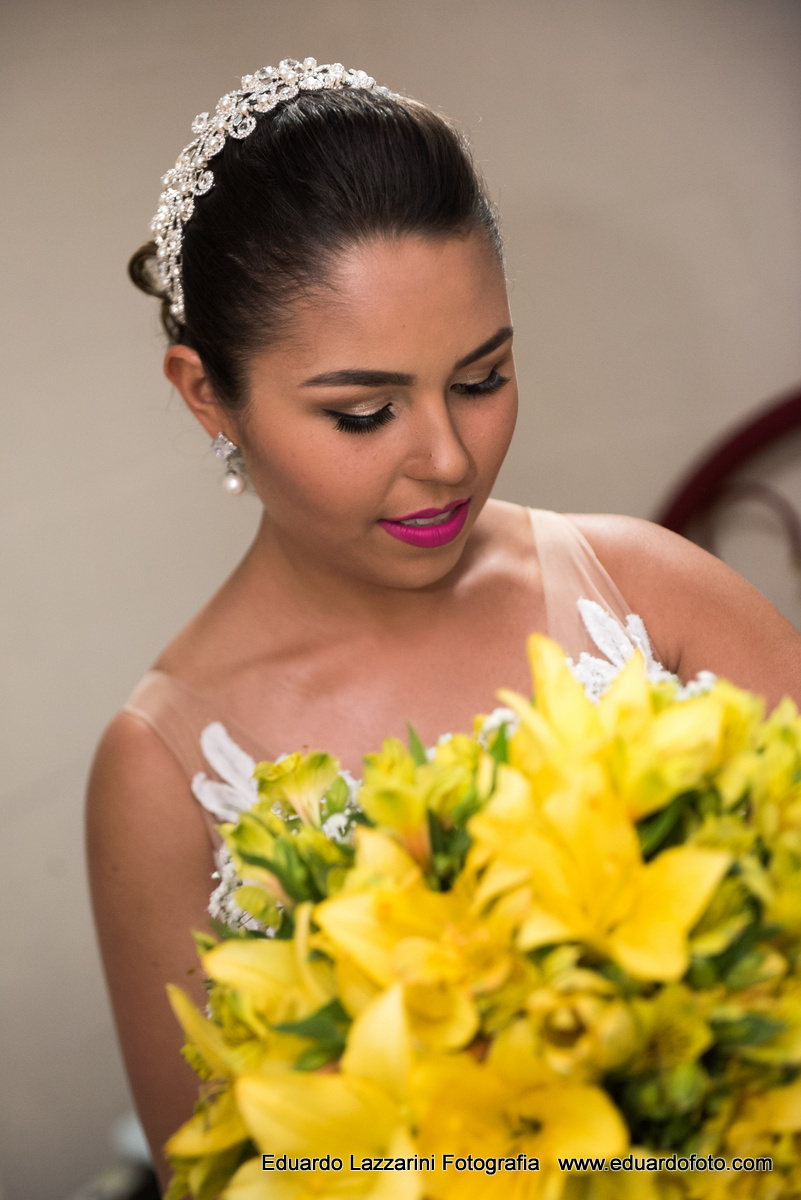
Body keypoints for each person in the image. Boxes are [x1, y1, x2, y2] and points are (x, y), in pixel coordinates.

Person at [86, 58, 801, 1189]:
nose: (449, 458)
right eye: (363, 411)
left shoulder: (656, 595)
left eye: (483, 376)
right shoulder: (161, 775)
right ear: (204, 392)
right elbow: (224, 1175)